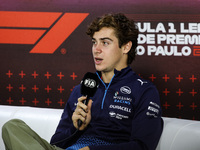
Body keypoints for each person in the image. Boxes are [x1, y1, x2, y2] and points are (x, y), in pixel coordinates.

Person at [2, 13, 163, 150]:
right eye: (94, 42)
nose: (96, 49)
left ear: (126, 47)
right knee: (13, 126)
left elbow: (142, 146)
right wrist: (76, 128)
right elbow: (56, 143)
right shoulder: (81, 89)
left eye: (105, 43)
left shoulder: (144, 90)